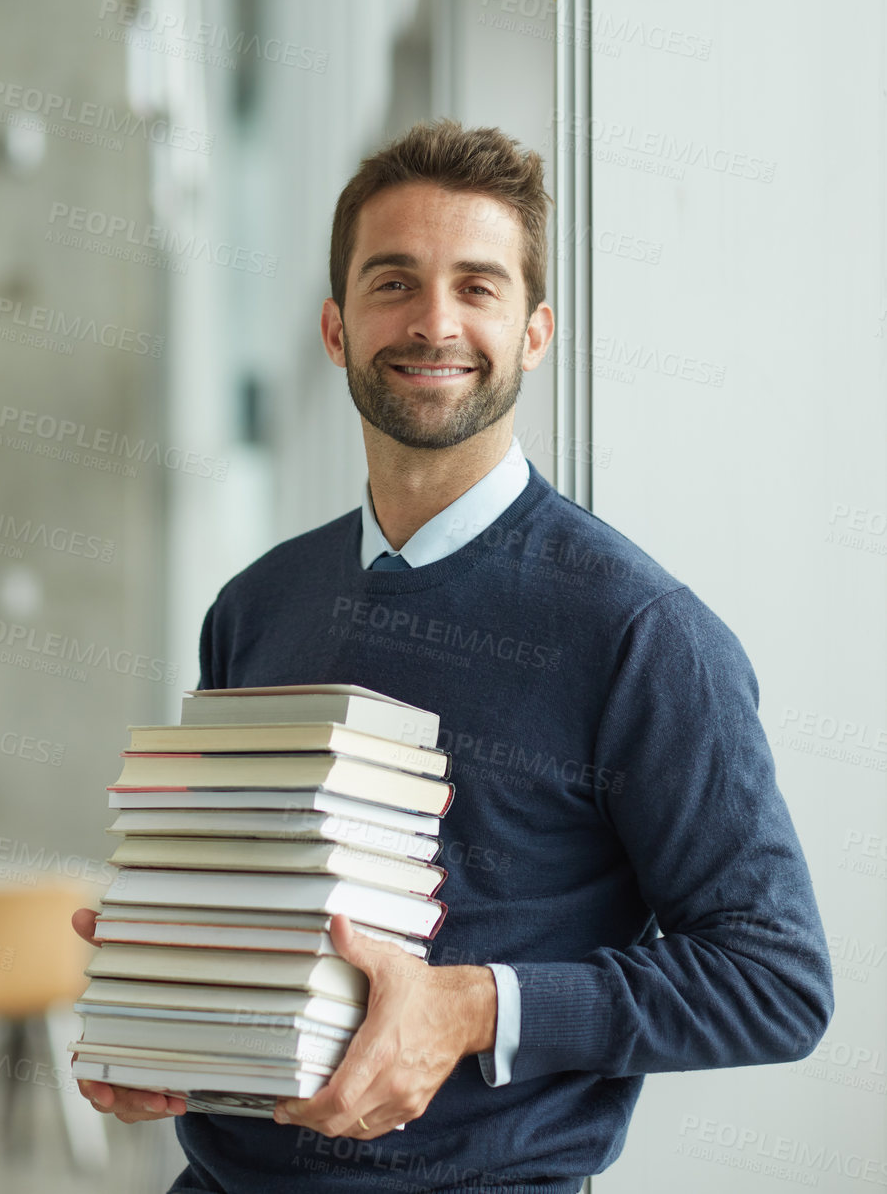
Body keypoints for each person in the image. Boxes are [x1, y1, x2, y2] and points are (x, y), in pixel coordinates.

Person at [74, 120, 833, 1194]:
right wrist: (173, 1016)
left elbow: (773, 978)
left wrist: (471, 1003)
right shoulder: (255, 607)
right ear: (335, 328)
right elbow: (262, 921)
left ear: (533, 331)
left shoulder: (640, 633)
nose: (433, 321)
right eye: (394, 282)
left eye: (476, 286)